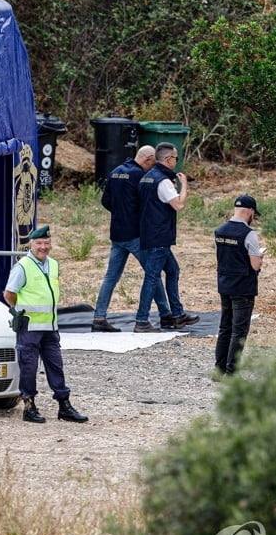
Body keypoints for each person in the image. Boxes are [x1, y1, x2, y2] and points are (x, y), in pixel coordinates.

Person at [3, 225, 89, 424]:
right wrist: (21, 311)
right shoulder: (23, 266)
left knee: (56, 366)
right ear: (31, 245)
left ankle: (64, 405)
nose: (43, 247)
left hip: (50, 327)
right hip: (30, 327)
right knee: (29, 367)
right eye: (39, 243)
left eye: (46, 243)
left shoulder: (53, 264)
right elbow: (9, 293)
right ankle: (29, 406)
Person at [91, 145, 174, 332]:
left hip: (117, 233)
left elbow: (106, 201)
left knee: (111, 277)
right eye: (153, 163)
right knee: (153, 274)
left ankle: (99, 317)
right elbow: (146, 203)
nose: (153, 167)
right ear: (148, 159)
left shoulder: (116, 172)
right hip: (136, 235)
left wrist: (120, 214)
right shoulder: (140, 176)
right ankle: (165, 314)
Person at [133, 142, 200, 333]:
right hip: (159, 236)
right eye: (176, 158)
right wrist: (184, 185)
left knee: (173, 271)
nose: (176, 162)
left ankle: (177, 315)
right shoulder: (162, 181)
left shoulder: (147, 177)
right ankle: (141, 320)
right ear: (169, 159)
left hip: (149, 233)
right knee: (152, 278)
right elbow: (178, 205)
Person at [214, 195, 264, 375]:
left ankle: (219, 369)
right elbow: (254, 265)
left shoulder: (220, 231)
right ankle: (231, 371)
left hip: (224, 284)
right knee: (239, 331)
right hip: (243, 287)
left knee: (224, 327)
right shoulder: (248, 234)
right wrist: (261, 257)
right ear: (250, 211)